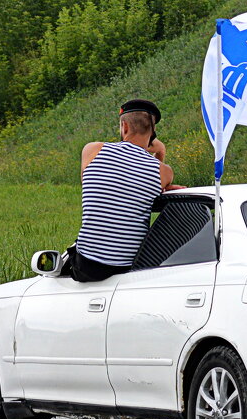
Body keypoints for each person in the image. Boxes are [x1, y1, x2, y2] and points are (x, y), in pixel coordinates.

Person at [66, 99, 179, 282]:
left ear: (124, 126)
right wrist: (160, 151)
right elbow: (159, 170)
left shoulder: (92, 151)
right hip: (130, 267)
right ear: (152, 133)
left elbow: (89, 185)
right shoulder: (164, 172)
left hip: (88, 266)